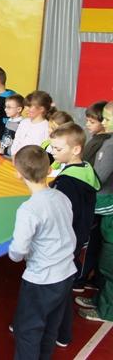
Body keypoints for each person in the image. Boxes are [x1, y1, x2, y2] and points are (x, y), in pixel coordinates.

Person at [9, 145, 76, 359]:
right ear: (49, 170)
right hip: (66, 273)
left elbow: (18, 251)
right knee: (50, 327)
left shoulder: (29, 209)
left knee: (28, 330)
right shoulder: (62, 197)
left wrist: (14, 253)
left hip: (42, 279)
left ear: (18, 174)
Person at [48, 123, 101, 346]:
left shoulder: (68, 182)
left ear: (76, 149)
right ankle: (63, 333)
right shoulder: (86, 170)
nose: (53, 152)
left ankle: (50, 328)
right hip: (78, 237)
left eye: (58, 149)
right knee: (63, 286)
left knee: (54, 287)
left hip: (64, 241)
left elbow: (61, 215)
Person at [76, 101, 113, 322]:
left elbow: (97, 178)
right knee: (105, 259)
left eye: (107, 119)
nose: (103, 122)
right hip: (107, 207)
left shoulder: (110, 145)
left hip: (108, 206)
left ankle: (106, 310)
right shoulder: (108, 142)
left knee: (109, 263)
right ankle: (102, 300)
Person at [10, 91, 54, 157]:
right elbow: (17, 140)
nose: (25, 109)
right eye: (25, 106)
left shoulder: (47, 128)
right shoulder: (24, 122)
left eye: (29, 106)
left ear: (41, 109)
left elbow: (47, 151)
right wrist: (13, 154)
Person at [83, 100, 110, 165]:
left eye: (92, 122)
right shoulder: (96, 138)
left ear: (103, 121)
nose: (87, 124)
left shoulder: (101, 142)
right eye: (87, 120)